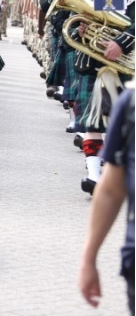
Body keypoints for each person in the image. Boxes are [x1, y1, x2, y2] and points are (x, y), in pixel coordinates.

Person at [71, 0, 134, 195]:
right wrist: (80, 32)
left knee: (122, 124)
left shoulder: (131, 1)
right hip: (91, 67)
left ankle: (115, 172)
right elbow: (67, 33)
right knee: (92, 123)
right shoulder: (84, 2)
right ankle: (93, 176)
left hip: (123, 70)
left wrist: (120, 43)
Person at [79, 85, 134, 314]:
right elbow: (111, 190)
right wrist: (89, 259)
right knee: (94, 123)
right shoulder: (131, 103)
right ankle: (94, 173)